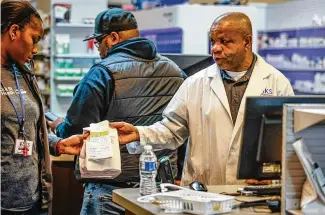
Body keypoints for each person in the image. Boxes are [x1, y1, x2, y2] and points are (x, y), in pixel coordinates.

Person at [110, 12, 295, 186]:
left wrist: (276, 175)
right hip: (203, 192)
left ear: (247, 42)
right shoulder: (195, 83)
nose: (215, 48)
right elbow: (172, 130)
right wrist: (139, 133)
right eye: (213, 41)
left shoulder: (277, 83)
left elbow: (290, 140)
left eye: (224, 42)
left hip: (254, 191)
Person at [48, 8, 186, 215]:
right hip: (159, 189)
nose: (98, 49)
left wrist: (58, 126)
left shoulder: (101, 73)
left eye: (98, 43)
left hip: (109, 191)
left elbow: (75, 132)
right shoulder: (176, 72)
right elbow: (182, 128)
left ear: (112, 38)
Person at [1, 1, 88, 214]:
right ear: (14, 31)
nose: (36, 49)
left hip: (33, 198)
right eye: (34, 39)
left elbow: (27, 128)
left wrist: (58, 145)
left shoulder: (24, 72)